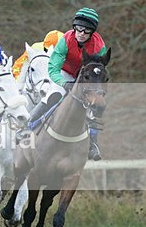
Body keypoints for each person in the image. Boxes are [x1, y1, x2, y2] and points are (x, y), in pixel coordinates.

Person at [27, 8, 109, 160]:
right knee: (54, 95)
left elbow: (98, 72)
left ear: (92, 32)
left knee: (94, 103)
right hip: (63, 73)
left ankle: (93, 144)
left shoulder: (99, 46)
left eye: (86, 30)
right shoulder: (66, 39)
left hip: (85, 77)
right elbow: (53, 68)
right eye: (78, 28)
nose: (81, 33)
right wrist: (64, 83)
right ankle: (29, 125)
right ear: (74, 27)